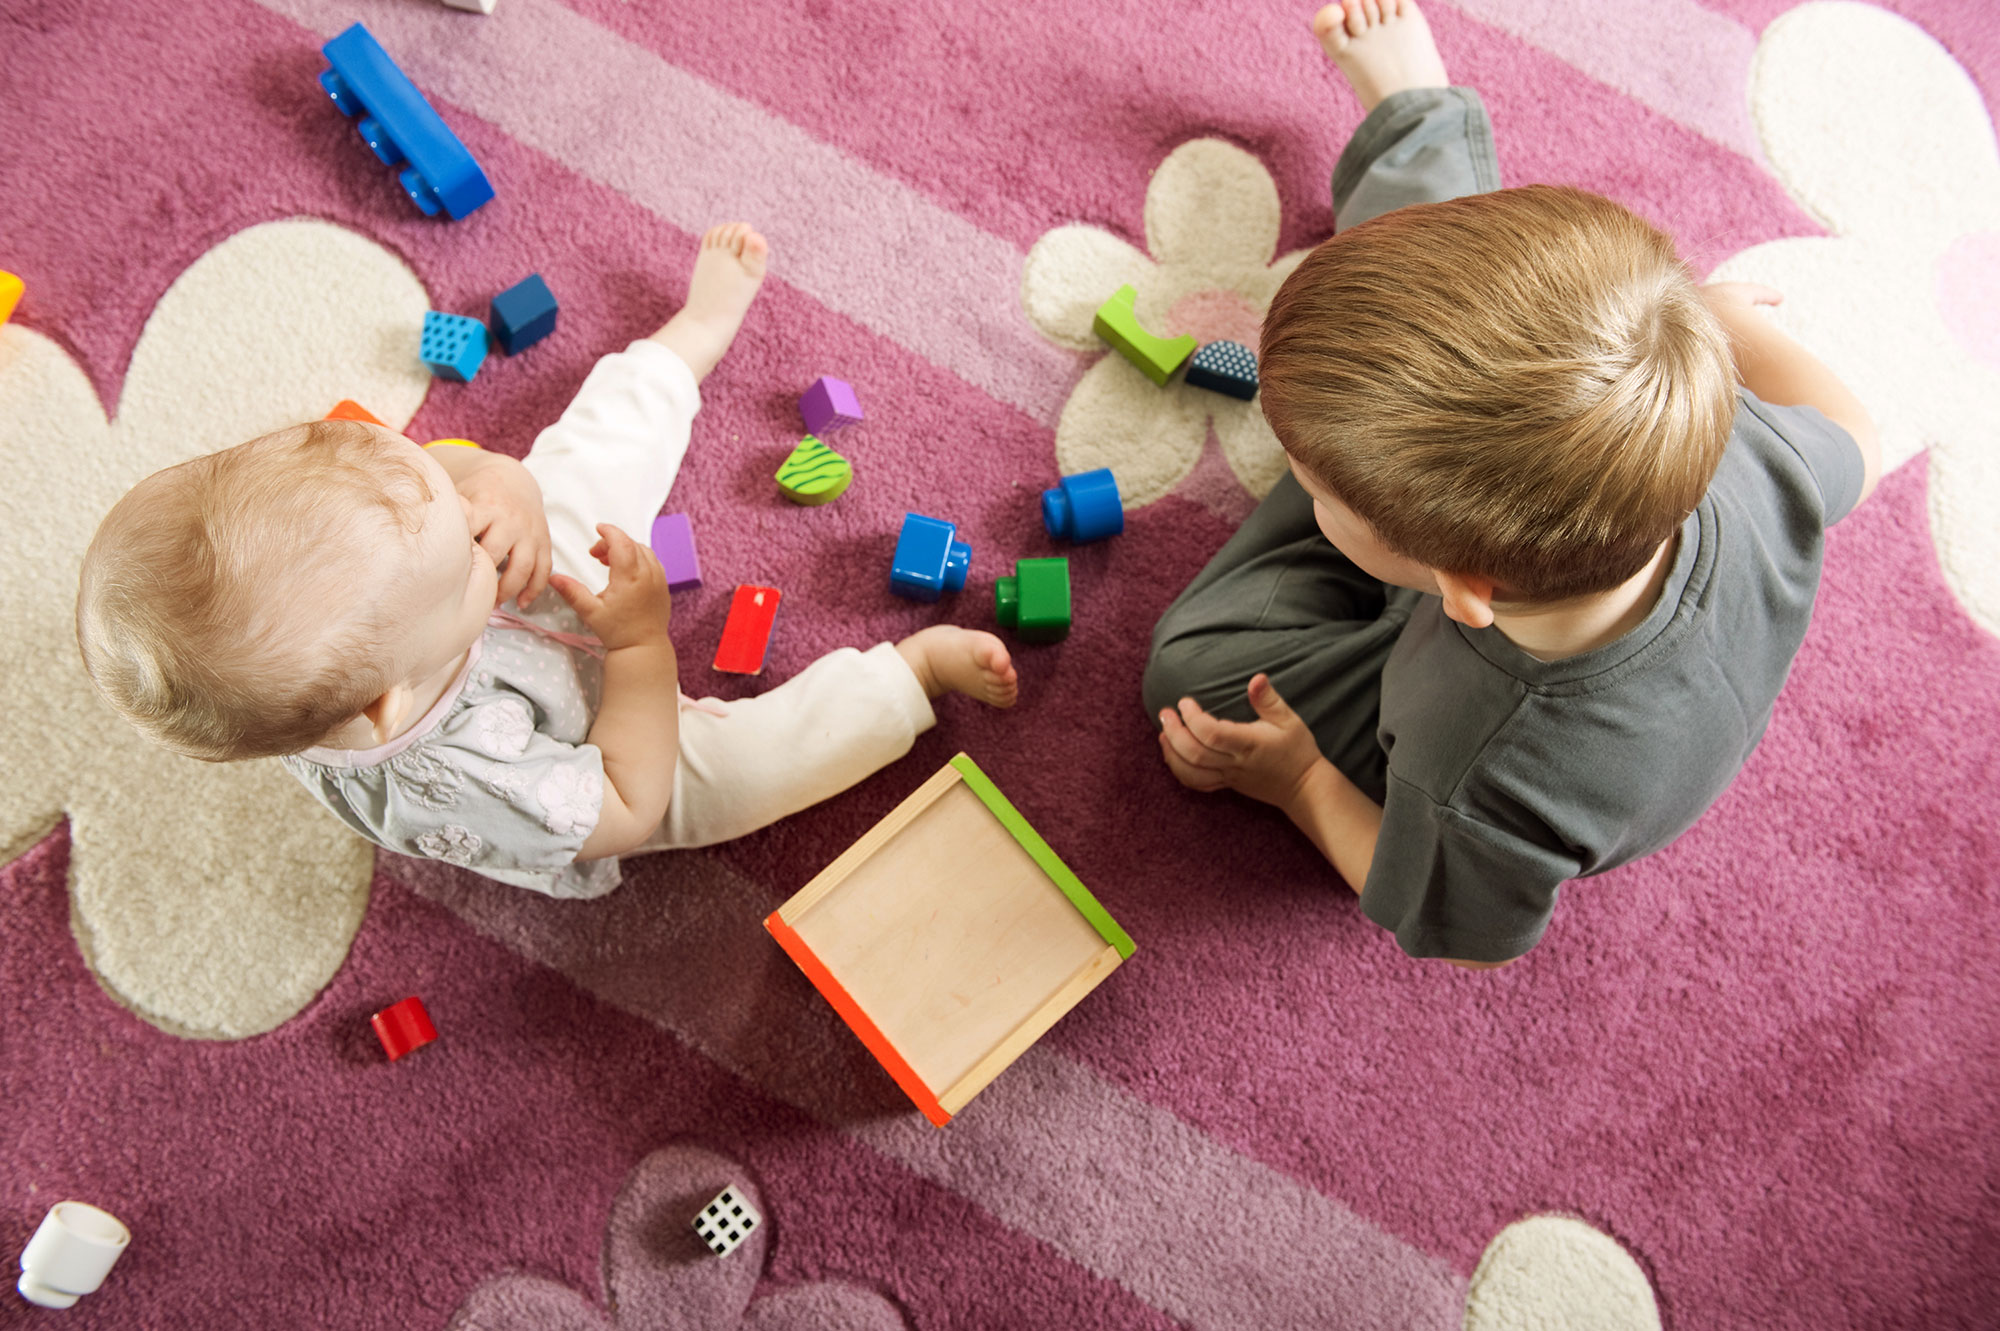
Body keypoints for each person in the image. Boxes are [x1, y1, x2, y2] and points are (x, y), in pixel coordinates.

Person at [1144, 1, 1882, 967]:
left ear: (1461, 590)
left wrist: (1302, 784)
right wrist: (1706, 328)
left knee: (1192, 673)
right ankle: (1414, 117)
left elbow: (1461, 930)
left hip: (1493, 701)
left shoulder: (1479, 769)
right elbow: (1858, 437)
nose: (1292, 470)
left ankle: (1415, 185)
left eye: (1314, 480)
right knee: (1455, 299)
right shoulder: (1717, 433)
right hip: (1510, 597)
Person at [76, 224, 1017, 900]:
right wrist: (644, 649)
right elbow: (630, 801)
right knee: (752, 771)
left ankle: (686, 340)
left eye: (432, 485)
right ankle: (910, 676)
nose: (461, 495)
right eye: (461, 544)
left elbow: (444, 478)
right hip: (594, 742)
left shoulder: (381, 577)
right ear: (386, 703)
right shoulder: (474, 779)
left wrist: (502, 490)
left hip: (533, 595)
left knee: (585, 452)